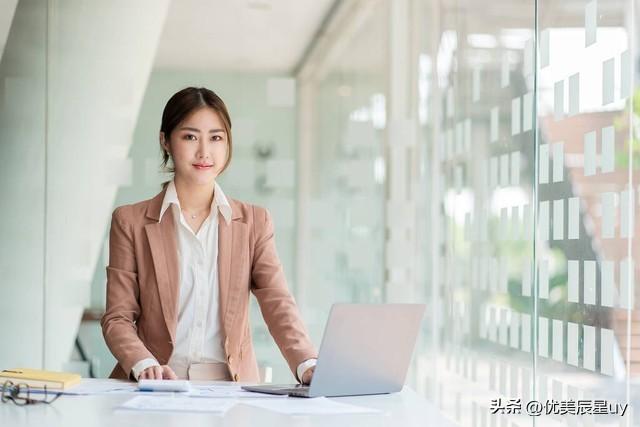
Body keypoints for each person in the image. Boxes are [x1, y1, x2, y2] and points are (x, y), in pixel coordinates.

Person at [101, 87, 317, 383]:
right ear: (165, 141)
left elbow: (277, 301)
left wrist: (307, 362)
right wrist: (142, 363)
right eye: (190, 137)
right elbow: (117, 318)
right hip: (155, 386)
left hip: (230, 389)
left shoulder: (254, 222)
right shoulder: (130, 222)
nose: (204, 152)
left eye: (216, 138)